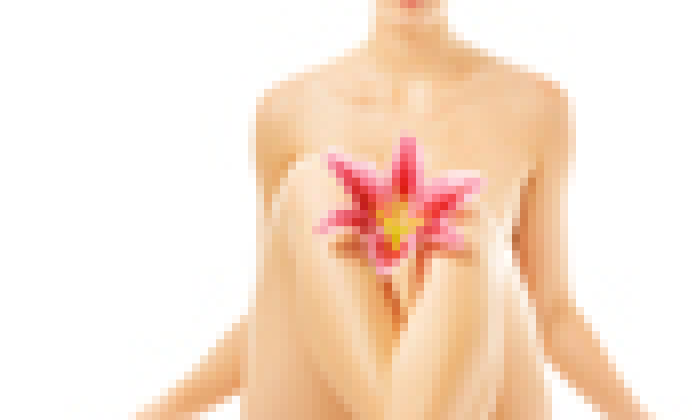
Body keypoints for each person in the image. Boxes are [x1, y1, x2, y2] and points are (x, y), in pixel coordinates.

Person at [135, 1, 651, 419]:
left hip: (483, 396)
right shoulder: (285, 111)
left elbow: (552, 312)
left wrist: (633, 413)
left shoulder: (536, 106)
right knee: (314, 184)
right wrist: (166, 408)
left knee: (465, 219)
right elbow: (283, 307)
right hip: (333, 399)